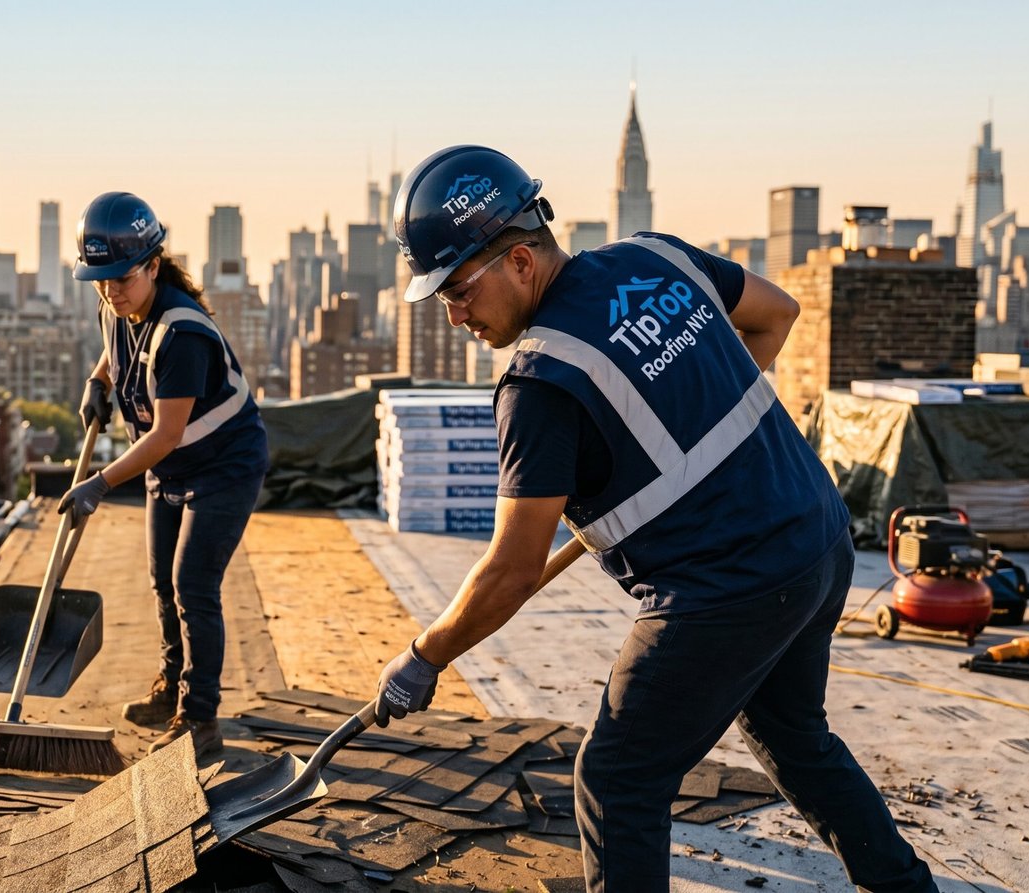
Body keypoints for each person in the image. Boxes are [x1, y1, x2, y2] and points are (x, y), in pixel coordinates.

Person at [373, 146, 937, 892]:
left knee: (617, 779)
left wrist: (426, 653)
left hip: (727, 588)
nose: (453, 315)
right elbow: (776, 315)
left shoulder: (540, 380)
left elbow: (510, 570)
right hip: (818, 538)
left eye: (458, 289)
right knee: (795, 736)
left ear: (518, 260)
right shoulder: (656, 257)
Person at [60, 192, 269, 759]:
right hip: (170, 468)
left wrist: (100, 483)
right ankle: (170, 688)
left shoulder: (182, 334)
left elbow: (166, 434)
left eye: (122, 278)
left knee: (193, 586)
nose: (110, 290)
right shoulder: (117, 300)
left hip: (222, 465)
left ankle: (199, 719)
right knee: (162, 581)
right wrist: (97, 383)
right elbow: (114, 345)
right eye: (100, 279)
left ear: (154, 265)